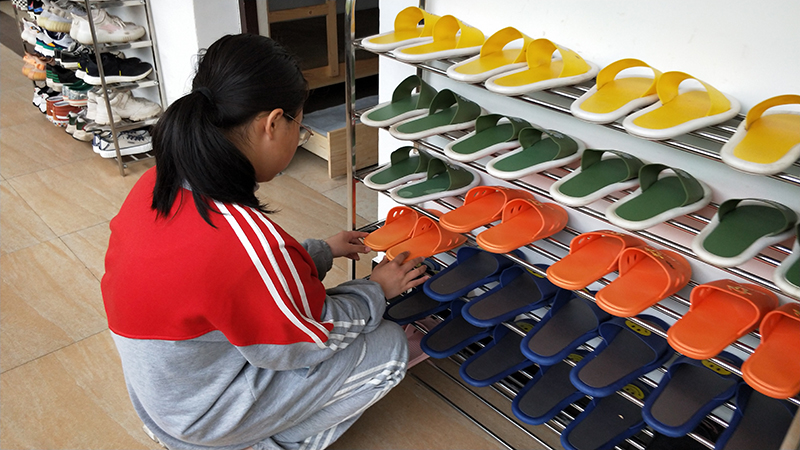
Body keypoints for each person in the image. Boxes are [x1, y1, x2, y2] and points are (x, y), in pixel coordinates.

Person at [101, 34, 428, 450]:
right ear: (272, 124)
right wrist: (376, 290)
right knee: (389, 347)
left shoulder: (158, 183)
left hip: (169, 397)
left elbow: (240, 286)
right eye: (301, 127)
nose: (299, 136)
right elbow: (310, 339)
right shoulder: (241, 240)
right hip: (202, 415)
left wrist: (321, 250)